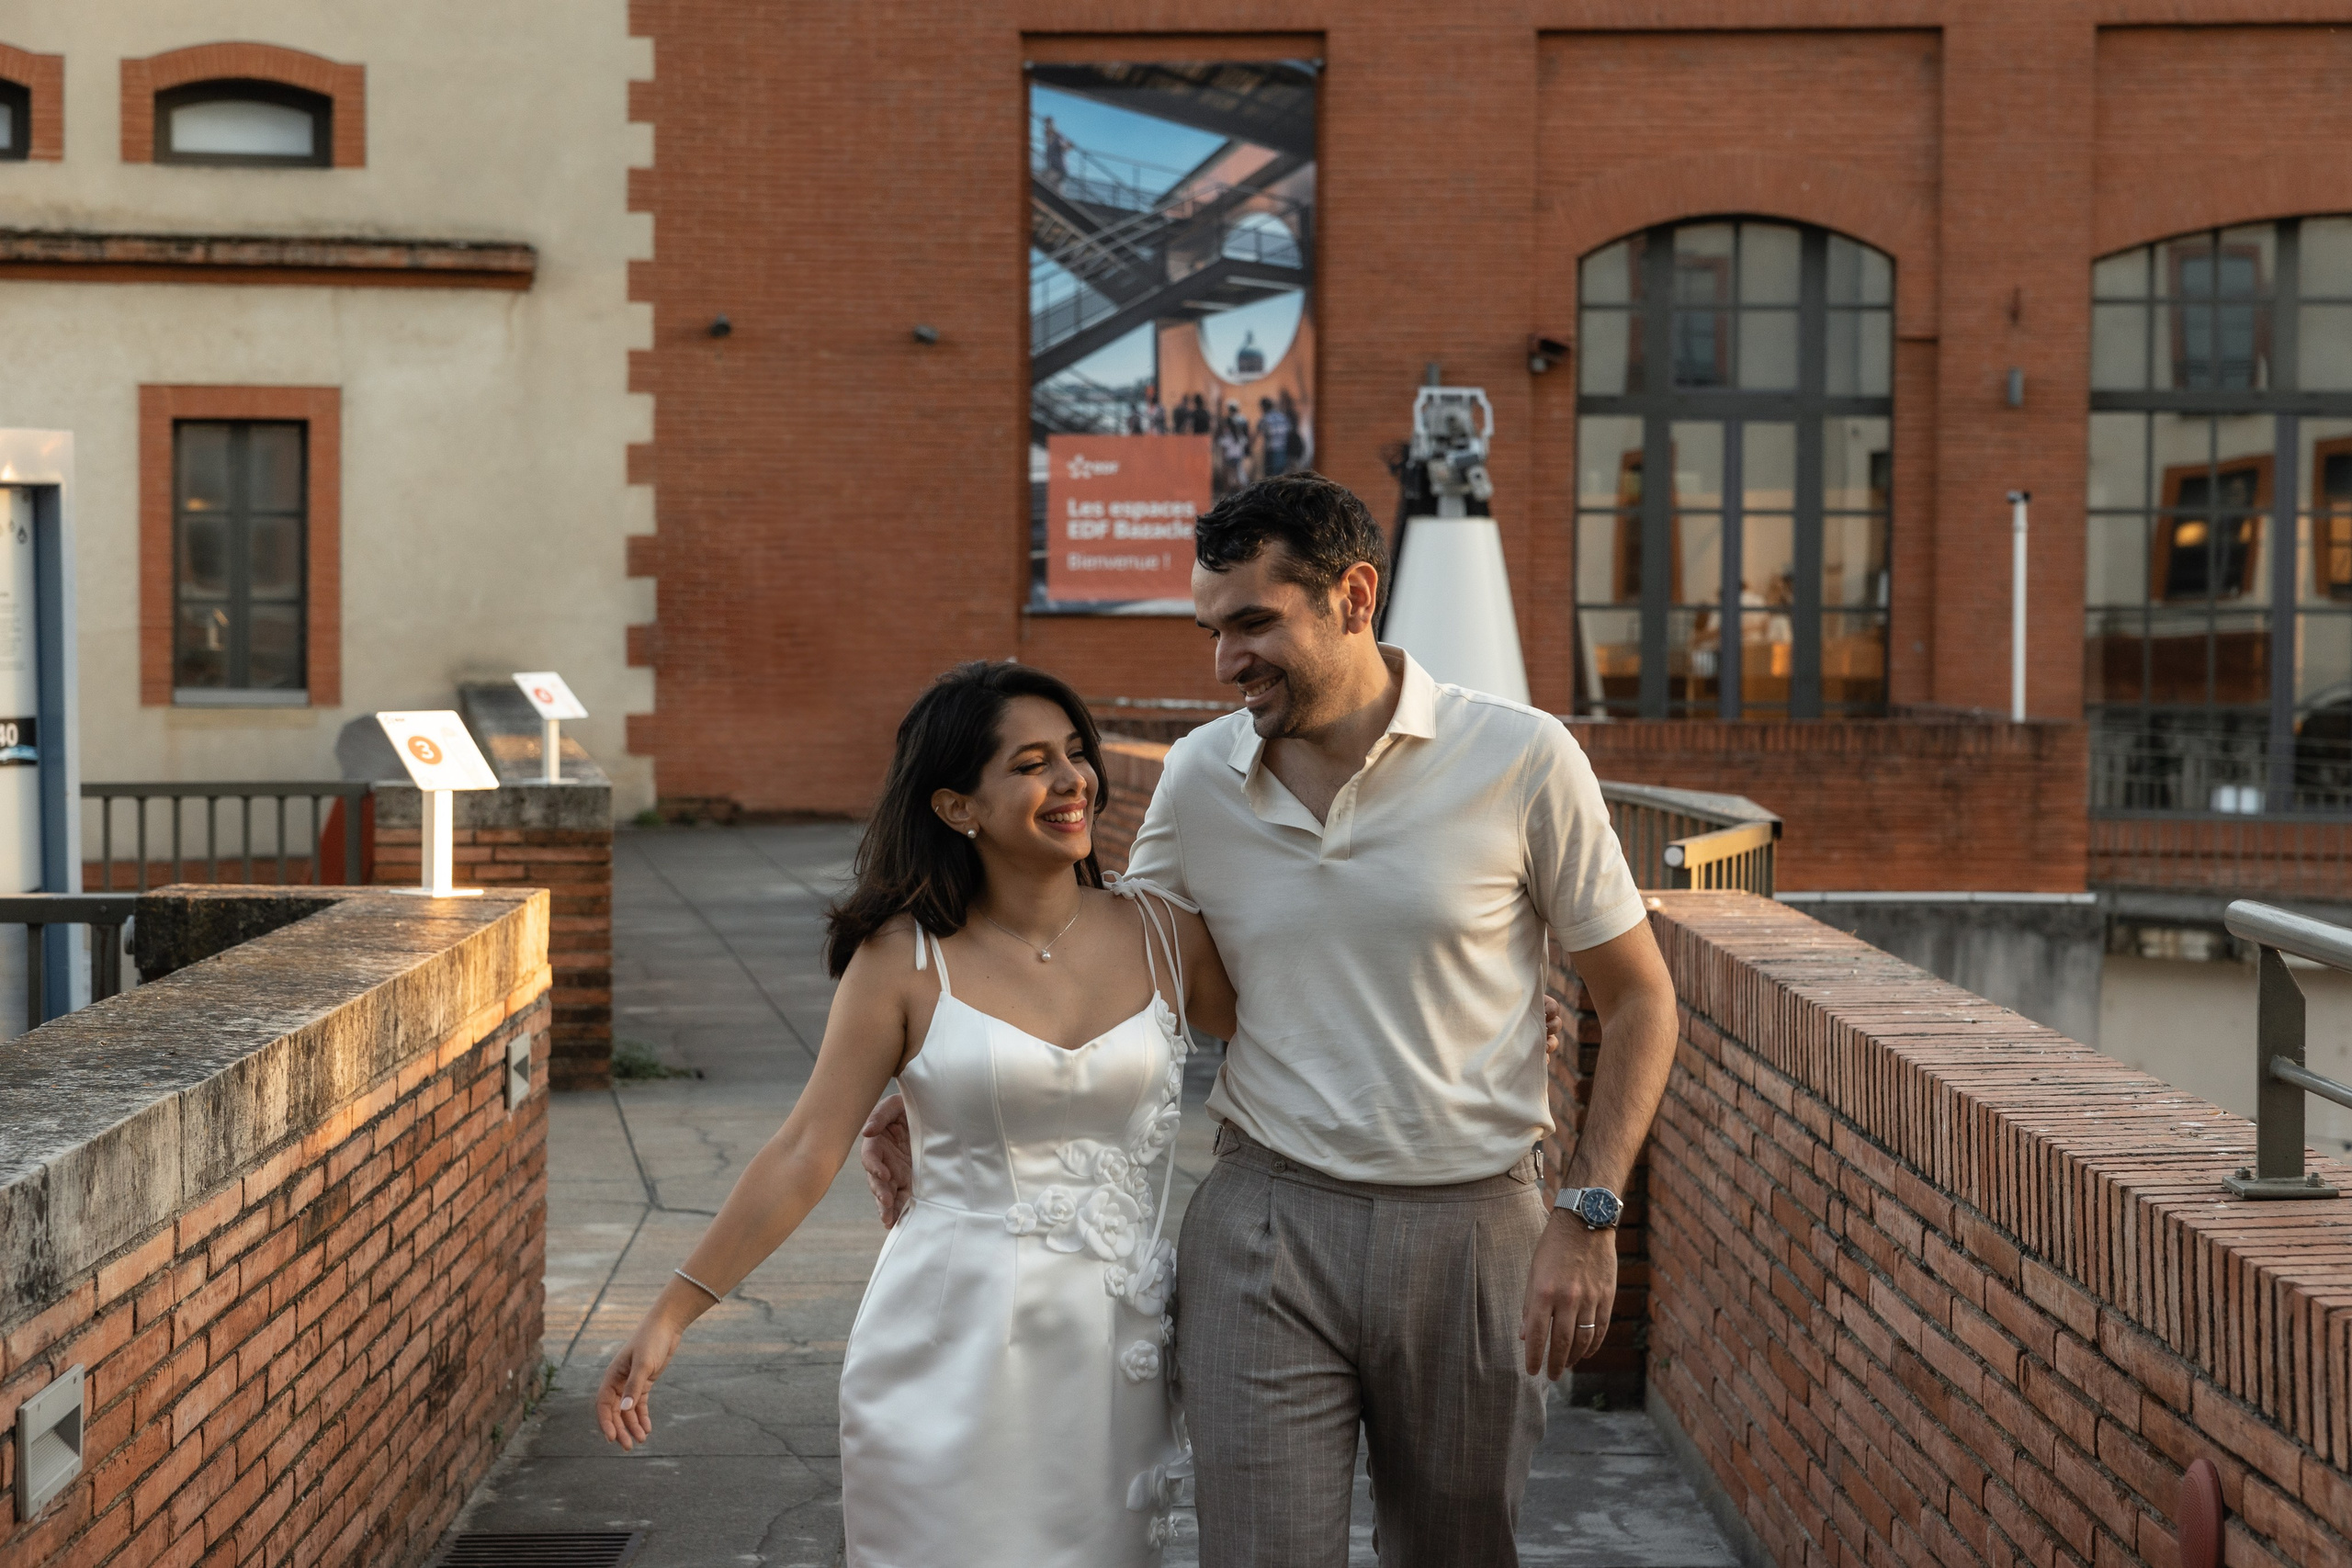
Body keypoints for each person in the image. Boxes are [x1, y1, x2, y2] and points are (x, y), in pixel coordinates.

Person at [866, 473, 1681, 1564]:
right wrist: (934, 1065)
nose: (1224, 661)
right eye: (1212, 630)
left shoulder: (1522, 758)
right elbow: (1113, 948)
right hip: (1263, 1226)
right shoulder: (1204, 775)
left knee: (1455, 1549)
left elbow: (1637, 997)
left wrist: (1587, 1216)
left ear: (1353, 594)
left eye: (1254, 622)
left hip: (1474, 1233)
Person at [595, 661, 1238, 1564]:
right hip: (945, 1346)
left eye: (1077, 753)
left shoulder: (1168, 935)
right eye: (1029, 763)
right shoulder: (902, 961)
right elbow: (802, 1151)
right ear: (955, 807)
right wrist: (669, 1314)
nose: (1072, 780)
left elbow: (1300, 1045)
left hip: (1113, 1359)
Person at [1255, 395, 1294, 479]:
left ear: (1263, 407)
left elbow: (1257, 433)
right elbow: (1290, 430)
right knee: (1280, 475)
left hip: (1271, 451)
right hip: (1283, 450)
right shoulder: (1282, 416)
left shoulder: (1265, 418)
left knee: (1270, 477)